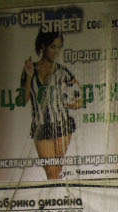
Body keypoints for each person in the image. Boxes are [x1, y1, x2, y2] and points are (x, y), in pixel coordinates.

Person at [21, 28, 82, 180]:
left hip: (63, 125)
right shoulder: (30, 69)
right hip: (41, 127)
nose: (56, 51)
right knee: (52, 172)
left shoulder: (62, 71)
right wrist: (29, 76)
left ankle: (57, 194)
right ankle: (58, 194)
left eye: (59, 47)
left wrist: (65, 103)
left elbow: (80, 100)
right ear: (43, 46)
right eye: (53, 47)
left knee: (55, 172)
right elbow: (23, 99)